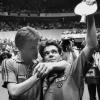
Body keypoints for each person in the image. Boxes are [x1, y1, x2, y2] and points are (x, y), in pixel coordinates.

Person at [33, 15, 97, 100]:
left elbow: (91, 45)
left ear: (60, 55)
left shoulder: (72, 70)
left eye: (54, 52)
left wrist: (89, 15)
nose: (50, 54)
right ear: (43, 59)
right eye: (46, 53)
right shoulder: (41, 77)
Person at [2, 26, 42, 100]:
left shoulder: (41, 62)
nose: (36, 51)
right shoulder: (9, 63)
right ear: (20, 48)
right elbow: (13, 91)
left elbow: (66, 65)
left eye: (37, 46)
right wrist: (38, 75)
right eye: (32, 48)